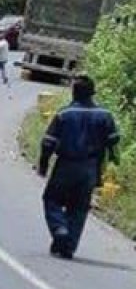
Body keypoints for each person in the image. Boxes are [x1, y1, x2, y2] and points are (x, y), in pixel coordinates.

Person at [39, 76, 121, 259]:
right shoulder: (105, 115)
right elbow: (114, 141)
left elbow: (48, 142)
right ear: (93, 93)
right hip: (90, 168)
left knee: (52, 199)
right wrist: (113, 161)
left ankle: (59, 228)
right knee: (79, 207)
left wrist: (43, 165)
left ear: (73, 93)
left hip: (66, 165)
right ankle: (68, 246)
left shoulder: (64, 114)